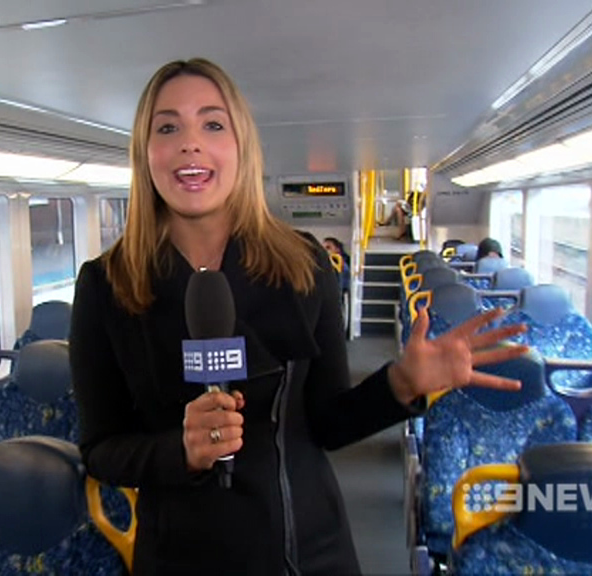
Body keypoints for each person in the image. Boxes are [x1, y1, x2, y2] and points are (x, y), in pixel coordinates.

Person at [69, 58, 528, 576]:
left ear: (242, 146)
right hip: (181, 556)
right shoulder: (107, 286)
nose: (190, 143)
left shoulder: (302, 264)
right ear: (144, 152)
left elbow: (327, 422)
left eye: (213, 124)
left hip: (310, 549)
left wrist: (401, 383)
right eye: (167, 127)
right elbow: (101, 449)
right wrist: (182, 450)